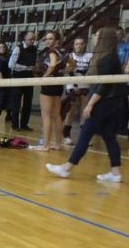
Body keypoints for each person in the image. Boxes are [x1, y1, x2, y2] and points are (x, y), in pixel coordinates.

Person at [46, 27, 125, 183]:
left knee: (86, 132)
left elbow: (104, 86)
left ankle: (66, 168)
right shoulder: (106, 56)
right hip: (111, 101)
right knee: (109, 136)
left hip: (106, 101)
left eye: (97, 35)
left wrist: (90, 104)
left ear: (104, 38)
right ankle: (115, 172)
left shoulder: (108, 59)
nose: (94, 37)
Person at [34, 30, 66, 152]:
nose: (47, 41)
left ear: (56, 40)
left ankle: (45, 145)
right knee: (56, 115)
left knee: (46, 115)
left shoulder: (52, 51)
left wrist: (44, 77)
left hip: (49, 84)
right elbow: (72, 64)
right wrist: (64, 71)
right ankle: (58, 144)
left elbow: (52, 65)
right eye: (46, 39)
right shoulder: (63, 51)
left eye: (51, 38)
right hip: (58, 84)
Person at [62, 36, 92, 145]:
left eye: (81, 44)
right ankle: (66, 135)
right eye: (77, 44)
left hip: (85, 84)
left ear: (84, 45)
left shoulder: (89, 56)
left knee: (84, 111)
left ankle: (84, 137)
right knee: (71, 111)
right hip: (72, 85)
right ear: (74, 46)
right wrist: (75, 85)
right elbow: (70, 71)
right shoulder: (70, 56)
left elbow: (90, 70)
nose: (79, 46)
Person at [8, 31, 38, 131]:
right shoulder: (18, 49)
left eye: (33, 39)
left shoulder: (34, 49)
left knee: (28, 103)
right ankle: (14, 125)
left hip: (29, 78)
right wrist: (26, 67)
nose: (32, 41)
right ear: (25, 38)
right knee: (16, 103)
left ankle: (24, 124)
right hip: (18, 78)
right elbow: (11, 65)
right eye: (30, 39)